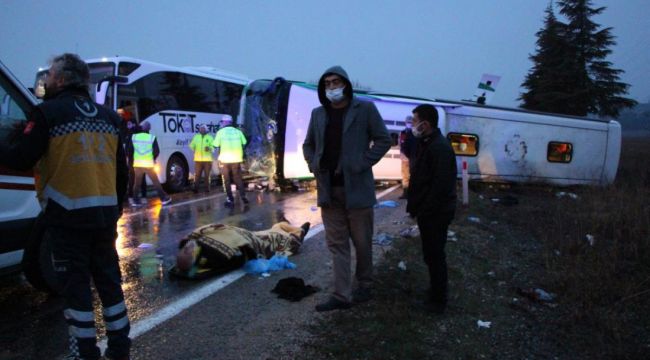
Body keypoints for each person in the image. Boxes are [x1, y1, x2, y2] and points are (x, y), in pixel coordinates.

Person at [0, 53, 131, 359]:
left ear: (60, 79)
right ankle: (120, 348)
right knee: (110, 284)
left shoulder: (47, 114)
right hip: (103, 217)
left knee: (76, 288)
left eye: (49, 76)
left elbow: (21, 158)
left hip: (66, 216)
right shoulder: (109, 117)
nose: (45, 81)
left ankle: (84, 351)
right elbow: (121, 172)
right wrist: (115, 209)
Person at [302, 65, 391, 312]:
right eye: (327, 83)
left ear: (346, 84)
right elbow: (308, 145)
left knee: (362, 242)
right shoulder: (318, 114)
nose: (331, 87)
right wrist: (313, 165)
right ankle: (341, 295)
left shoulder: (365, 109)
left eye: (336, 82)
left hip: (357, 189)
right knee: (337, 244)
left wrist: (362, 162)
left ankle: (365, 284)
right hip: (329, 191)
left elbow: (384, 139)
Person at [406, 104, 457, 314]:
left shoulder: (439, 147)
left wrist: (424, 210)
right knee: (431, 254)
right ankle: (434, 293)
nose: (412, 125)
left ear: (425, 124)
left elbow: (440, 186)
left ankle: (438, 301)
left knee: (435, 255)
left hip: (436, 213)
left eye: (414, 120)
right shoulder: (427, 143)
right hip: (429, 211)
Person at [175, 221, 311, 276]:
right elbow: (238, 255)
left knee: (271, 232)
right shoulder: (213, 255)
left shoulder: (194, 239)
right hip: (248, 238)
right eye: (187, 250)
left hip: (241, 234)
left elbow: (213, 228)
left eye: (186, 248)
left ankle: (288, 229)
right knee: (273, 239)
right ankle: (297, 233)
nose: (187, 247)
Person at [127, 121, 171, 206]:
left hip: (137, 165)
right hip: (148, 164)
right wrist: (153, 159)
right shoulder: (152, 138)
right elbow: (156, 151)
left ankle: (135, 201)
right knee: (156, 182)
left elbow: (129, 151)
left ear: (142, 128)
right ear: (149, 129)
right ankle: (163, 199)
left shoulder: (134, 137)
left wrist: (132, 161)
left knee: (137, 183)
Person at [213, 114, 248, 207]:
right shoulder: (238, 131)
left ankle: (230, 199)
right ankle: (243, 196)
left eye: (222, 122)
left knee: (227, 180)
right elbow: (244, 142)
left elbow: (215, 145)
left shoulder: (220, 132)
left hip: (225, 160)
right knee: (238, 178)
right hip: (236, 159)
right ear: (231, 122)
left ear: (224, 122)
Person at [189, 124, 215, 193]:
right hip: (198, 160)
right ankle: (195, 188)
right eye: (200, 129)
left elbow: (213, 148)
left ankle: (207, 188)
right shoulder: (196, 137)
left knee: (207, 175)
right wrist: (194, 149)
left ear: (206, 130)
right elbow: (191, 145)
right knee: (197, 175)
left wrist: (209, 148)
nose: (201, 130)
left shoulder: (210, 138)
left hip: (207, 160)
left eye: (203, 129)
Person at [399, 115, 417, 199]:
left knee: (413, 176)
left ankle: (412, 193)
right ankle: (405, 193)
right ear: (405, 123)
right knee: (405, 176)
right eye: (408, 122)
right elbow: (401, 144)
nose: (409, 124)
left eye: (410, 122)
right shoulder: (403, 132)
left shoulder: (416, 133)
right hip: (405, 158)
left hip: (413, 158)